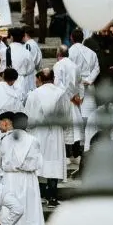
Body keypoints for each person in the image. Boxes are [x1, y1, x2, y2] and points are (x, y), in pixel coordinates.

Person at [24, 68, 69, 207]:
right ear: (54, 79)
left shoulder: (34, 94)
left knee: (40, 162)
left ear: (40, 79)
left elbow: (28, 117)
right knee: (54, 163)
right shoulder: (61, 93)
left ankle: (41, 195)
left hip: (38, 132)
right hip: (55, 132)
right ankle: (52, 197)